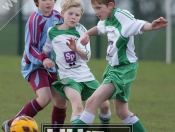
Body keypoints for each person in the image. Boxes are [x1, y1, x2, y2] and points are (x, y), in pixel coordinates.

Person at [72, 0, 168, 132]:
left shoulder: (122, 16)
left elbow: (137, 24)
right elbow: (100, 28)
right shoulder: (107, 18)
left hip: (123, 69)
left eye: (99, 8)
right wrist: (86, 34)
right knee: (122, 112)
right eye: (94, 8)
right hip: (114, 68)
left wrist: (151, 26)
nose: (96, 12)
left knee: (91, 102)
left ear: (110, 5)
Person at [42, 0, 111, 127]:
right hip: (67, 78)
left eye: (77, 15)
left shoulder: (81, 31)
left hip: (85, 75)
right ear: (62, 13)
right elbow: (45, 50)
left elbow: (87, 56)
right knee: (78, 106)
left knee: (105, 105)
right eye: (70, 13)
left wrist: (76, 49)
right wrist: (45, 59)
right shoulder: (52, 31)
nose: (73, 17)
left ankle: (104, 128)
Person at [2, 0, 67, 132]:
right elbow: (30, 47)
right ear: (37, 2)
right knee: (44, 98)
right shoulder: (35, 19)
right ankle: (11, 124)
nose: (48, 2)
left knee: (61, 100)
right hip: (34, 65)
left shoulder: (59, 17)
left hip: (53, 66)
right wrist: (43, 59)